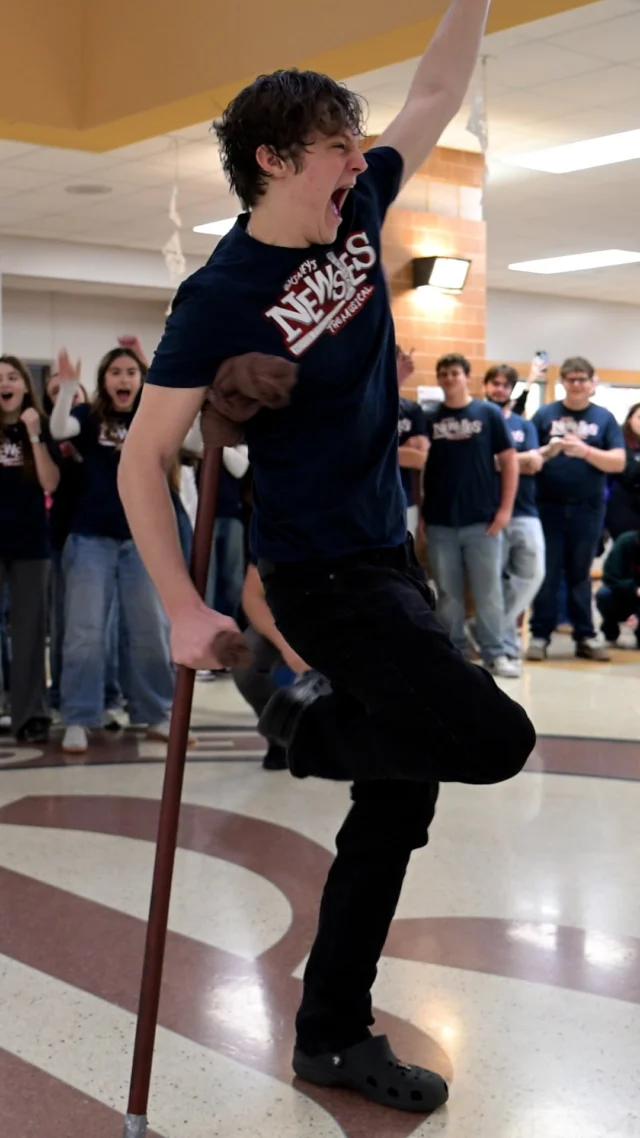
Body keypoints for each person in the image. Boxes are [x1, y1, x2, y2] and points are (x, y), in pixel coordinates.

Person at [119, 2, 536, 1112]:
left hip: (386, 556)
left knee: (396, 804)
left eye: (359, 146)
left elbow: (436, 95)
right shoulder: (217, 300)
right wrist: (177, 602)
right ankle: (301, 725)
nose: (361, 160)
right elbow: (142, 459)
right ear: (272, 159)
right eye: (337, 147)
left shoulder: (357, 217)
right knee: (492, 736)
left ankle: (330, 1031)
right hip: (324, 575)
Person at [50, 347, 176, 754]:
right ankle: (78, 716)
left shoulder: (151, 419)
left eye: (131, 372)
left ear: (141, 380)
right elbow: (57, 430)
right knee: (84, 633)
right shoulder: (89, 418)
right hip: (90, 538)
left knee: (149, 630)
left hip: (142, 538)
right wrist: (70, 383)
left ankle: (156, 712)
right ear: (105, 380)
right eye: (116, 372)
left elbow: (189, 437)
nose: (123, 379)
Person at [421, 354, 520, 677]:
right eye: (444, 373)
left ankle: (495, 652)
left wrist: (505, 510)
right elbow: (422, 471)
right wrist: (422, 516)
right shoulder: (430, 418)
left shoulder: (487, 413)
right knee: (447, 595)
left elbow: (509, 461)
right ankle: (455, 653)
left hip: (483, 521)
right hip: (440, 523)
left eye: (455, 373)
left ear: (467, 377)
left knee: (488, 592)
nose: (449, 378)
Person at [527, 356, 626, 662]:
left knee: (580, 574)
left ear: (592, 382)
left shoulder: (604, 418)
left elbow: (618, 461)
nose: (576, 384)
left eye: (582, 379)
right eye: (570, 379)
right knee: (548, 572)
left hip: (588, 509)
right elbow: (528, 459)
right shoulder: (545, 415)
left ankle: (585, 634)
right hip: (548, 507)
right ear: (563, 383)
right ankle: (540, 635)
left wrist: (585, 451)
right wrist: (550, 450)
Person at [0, 354, 60, 743]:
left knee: (29, 632)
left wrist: (35, 434)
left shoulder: (40, 428)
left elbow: (51, 483)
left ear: (24, 385)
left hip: (30, 543)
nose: (4, 384)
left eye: (11, 377)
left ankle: (29, 713)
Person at [484, 364, 545, 671]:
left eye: (505, 385)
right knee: (492, 583)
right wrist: (515, 461)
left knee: (533, 574)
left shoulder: (524, 424)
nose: (499, 389)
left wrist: (502, 461)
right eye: (494, 383)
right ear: (485, 386)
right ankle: (504, 647)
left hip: (525, 511)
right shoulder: (478, 420)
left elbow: (535, 463)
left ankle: (487, 630)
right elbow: (479, 463)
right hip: (486, 515)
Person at [232, 562, 310, 770]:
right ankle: (283, 735)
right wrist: (286, 645)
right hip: (285, 616)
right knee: (246, 661)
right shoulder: (284, 531)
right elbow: (252, 596)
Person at [396, 345, 428, 536]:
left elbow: (420, 459)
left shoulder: (411, 409)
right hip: (365, 502)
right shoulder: (362, 405)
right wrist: (401, 451)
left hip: (406, 501)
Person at [596, 528, 640, 648]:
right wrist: (634, 589)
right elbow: (610, 577)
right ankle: (610, 630)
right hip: (622, 596)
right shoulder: (625, 542)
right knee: (604, 594)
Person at [606, 402, 640, 540]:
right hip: (622, 505)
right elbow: (629, 473)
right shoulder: (618, 441)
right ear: (629, 419)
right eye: (639, 417)